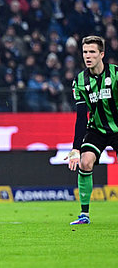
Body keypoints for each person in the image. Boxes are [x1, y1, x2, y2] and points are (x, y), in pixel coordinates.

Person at [67, 35, 118, 225]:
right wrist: (75, 148)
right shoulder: (80, 81)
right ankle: (84, 215)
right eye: (85, 52)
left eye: (92, 52)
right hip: (96, 129)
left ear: (101, 54)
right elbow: (81, 117)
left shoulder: (116, 75)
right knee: (85, 162)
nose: (88, 56)